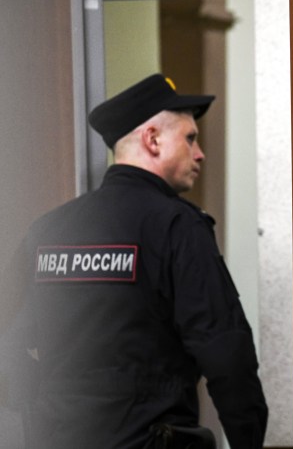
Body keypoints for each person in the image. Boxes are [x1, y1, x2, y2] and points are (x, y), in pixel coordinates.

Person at [1, 74, 267, 448]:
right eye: (190, 138)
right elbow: (226, 354)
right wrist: (248, 439)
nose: (200, 153)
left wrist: (49, 413)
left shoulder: (48, 230)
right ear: (153, 139)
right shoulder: (178, 226)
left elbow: (7, 336)